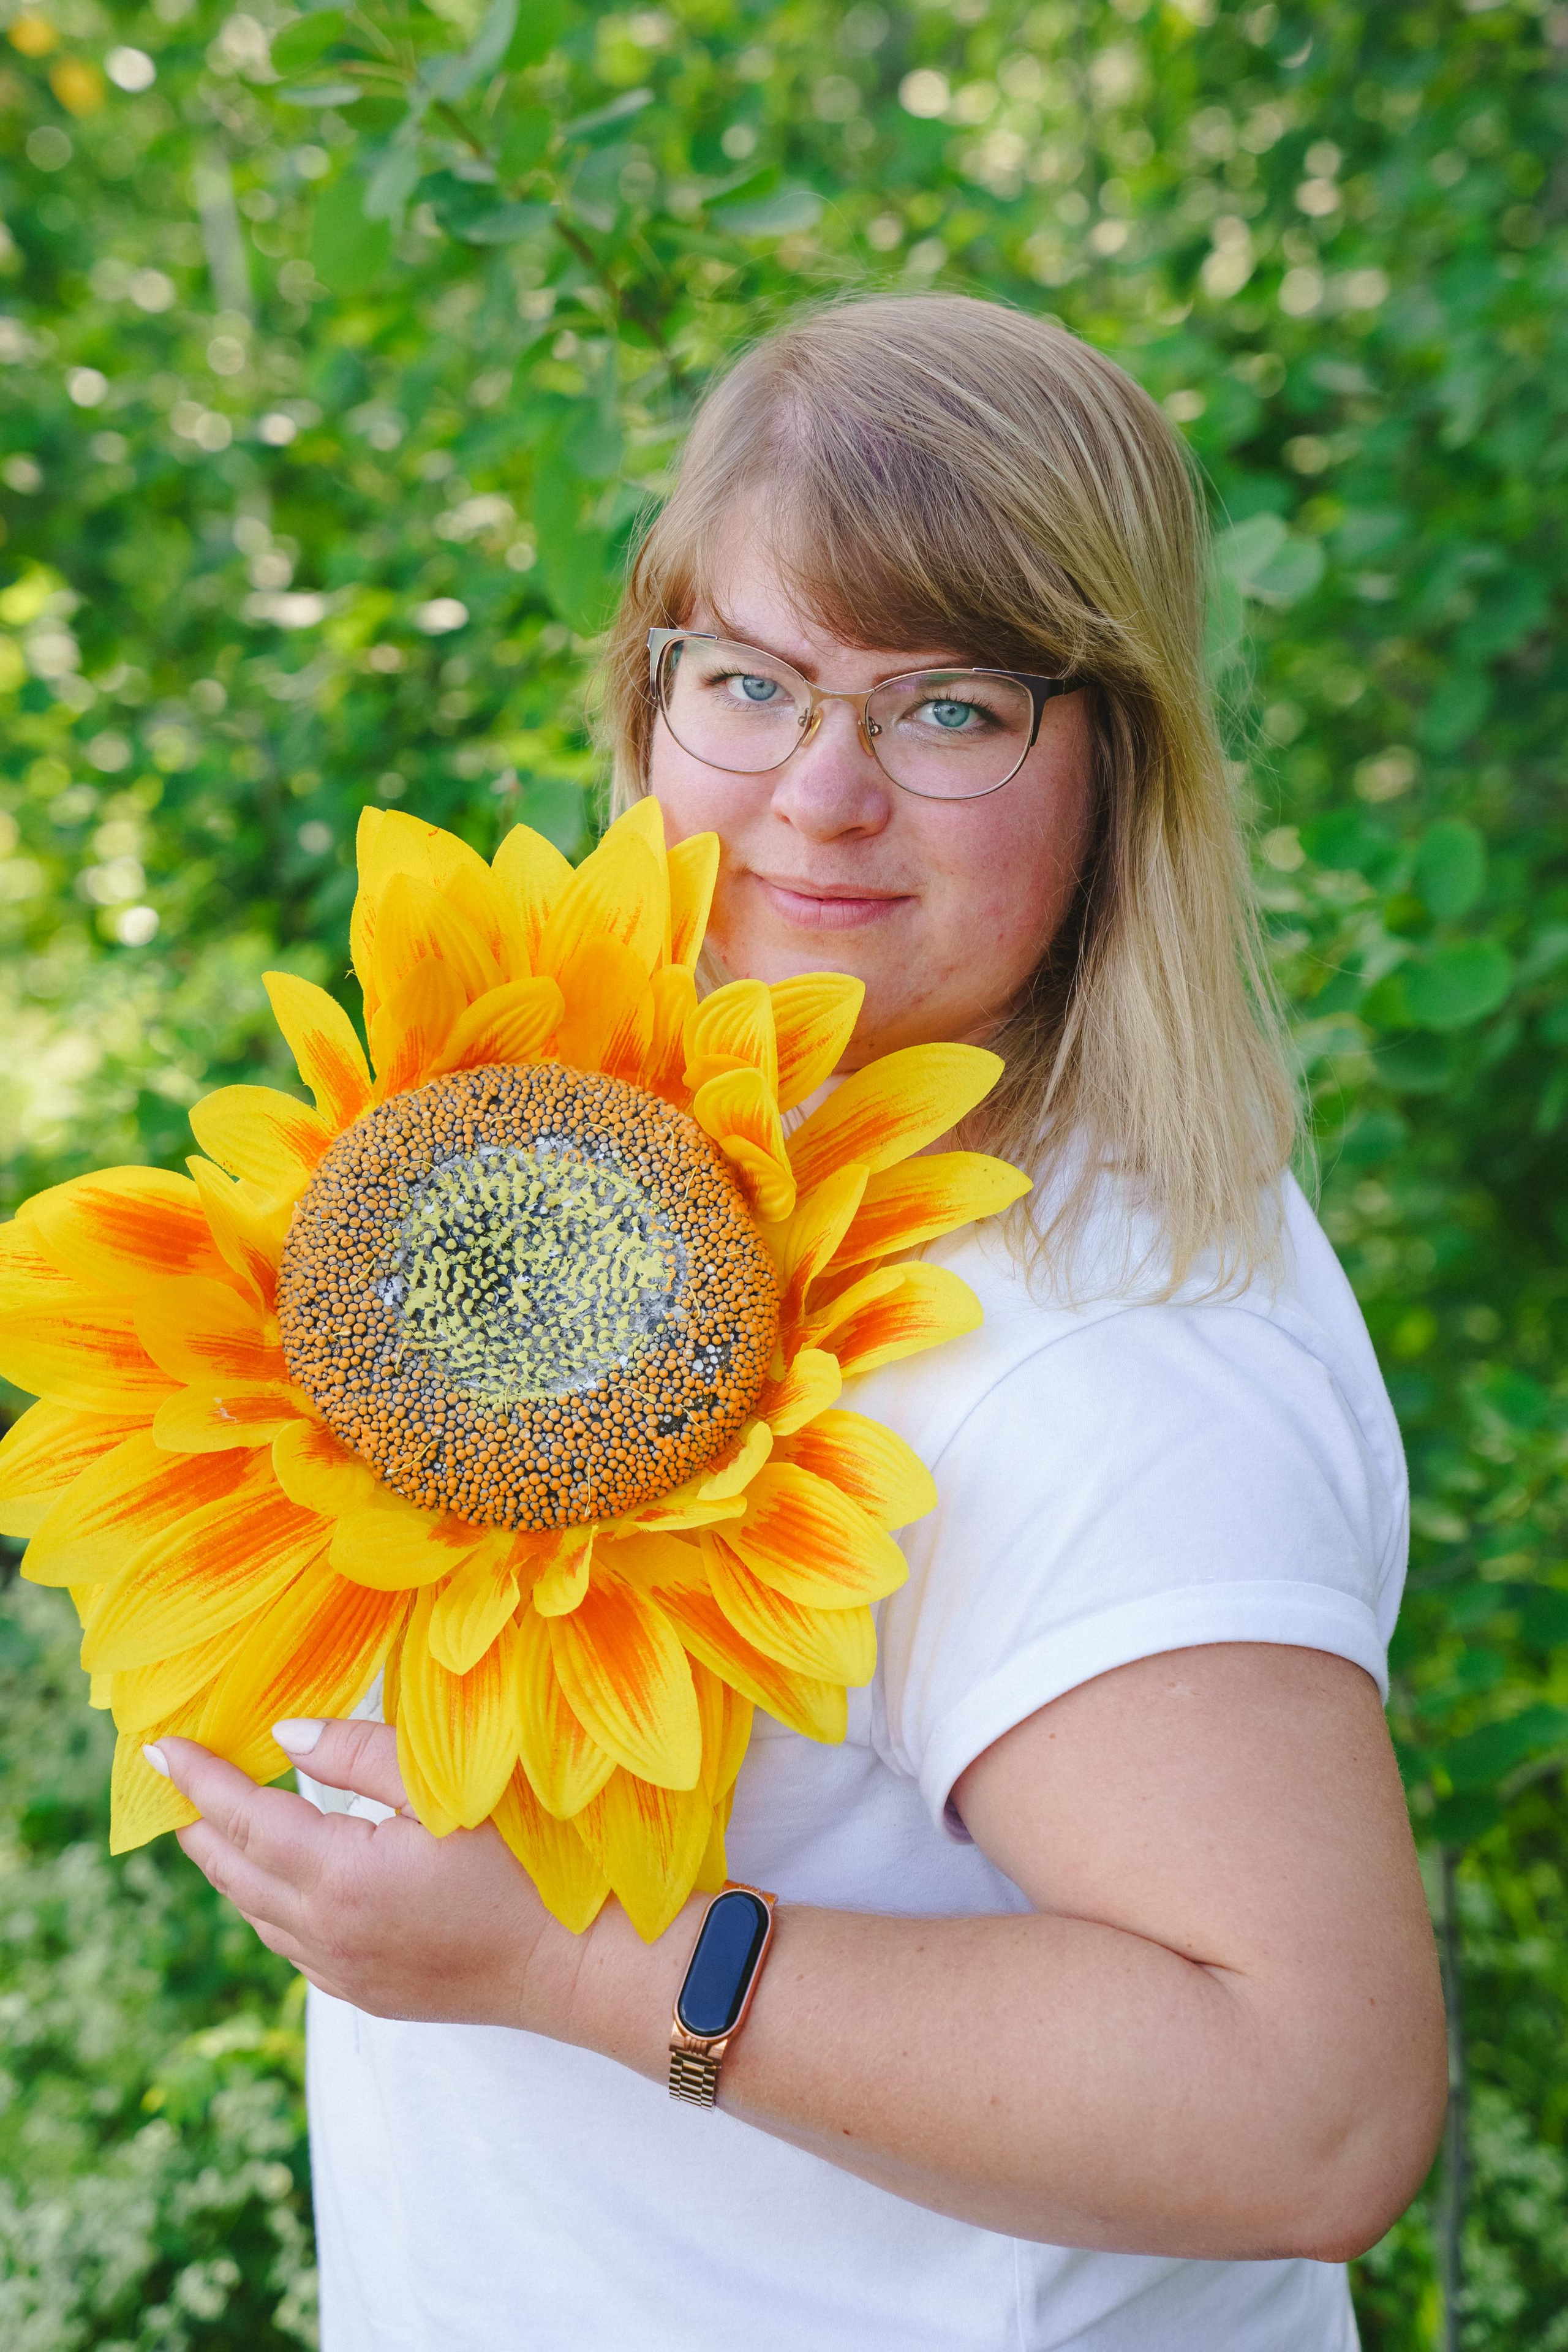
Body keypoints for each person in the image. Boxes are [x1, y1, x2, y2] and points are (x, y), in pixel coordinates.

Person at [151, 293, 1447, 2351]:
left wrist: (565, 1963)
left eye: (950, 710)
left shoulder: (1096, 1358)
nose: (821, 794)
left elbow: (1313, 2112)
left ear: (1117, 762)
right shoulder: (665, 1135)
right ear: (652, 690)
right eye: (752, 682)